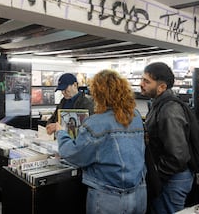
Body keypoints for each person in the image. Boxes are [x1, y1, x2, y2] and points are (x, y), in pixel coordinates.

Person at [47, 69, 147, 214]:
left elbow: (74, 154)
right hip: (138, 192)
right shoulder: (135, 115)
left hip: (108, 197)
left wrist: (61, 132)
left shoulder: (96, 123)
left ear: (98, 94)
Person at [140, 62, 193, 214]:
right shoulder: (158, 104)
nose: (141, 84)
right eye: (142, 79)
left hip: (173, 180)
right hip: (170, 177)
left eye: (147, 81)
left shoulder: (169, 110)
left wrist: (156, 175)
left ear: (161, 87)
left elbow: (177, 155)